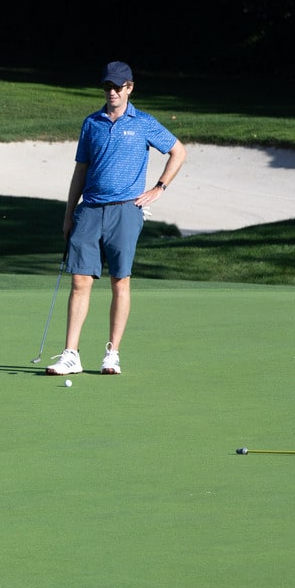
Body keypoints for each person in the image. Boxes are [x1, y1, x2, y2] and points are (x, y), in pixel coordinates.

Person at [45, 62, 187, 377]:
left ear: (129, 88)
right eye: (107, 86)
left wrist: (159, 188)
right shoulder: (91, 123)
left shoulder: (144, 123)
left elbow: (178, 151)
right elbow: (80, 170)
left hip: (125, 210)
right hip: (90, 210)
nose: (112, 92)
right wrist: (69, 214)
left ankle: (112, 354)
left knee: (120, 280)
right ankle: (71, 355)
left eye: (118, 87)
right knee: (79, 281)